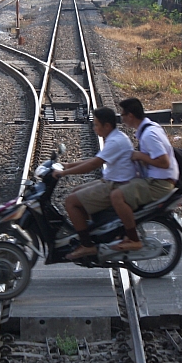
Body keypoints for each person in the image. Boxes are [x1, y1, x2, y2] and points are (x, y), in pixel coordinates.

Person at [53, 107, 138, 259]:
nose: (94, 127)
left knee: (71, 202)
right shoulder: (115, 137)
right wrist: (68, 165)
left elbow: (93, 165)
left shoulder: (115, 142)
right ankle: (96, 232)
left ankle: (87, 245)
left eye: (96, 124)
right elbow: (94, 160)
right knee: (75, 192)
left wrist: (64, 173)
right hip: (112, 181)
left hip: (117, 185)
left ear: (107, 126)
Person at [108, 98, 179, 251]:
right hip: (160, 179)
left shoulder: (149, 135)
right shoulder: (151, 127)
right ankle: (123, 231)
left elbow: (164, 162)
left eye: (123, 114)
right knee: (122, 187)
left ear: (131, 115)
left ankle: (134, 239)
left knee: (116, 196)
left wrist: (139, 156)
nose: (122, 118)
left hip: (160, 183)